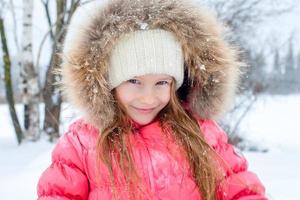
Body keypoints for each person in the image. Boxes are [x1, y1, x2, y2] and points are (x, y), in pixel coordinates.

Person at [37, 0, 267, 199]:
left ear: (176, 85)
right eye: (134, 81)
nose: (148, 98)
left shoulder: (203, 134)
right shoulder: (82, 143)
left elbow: (241, 190)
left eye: (161, 83)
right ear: (109, 83)